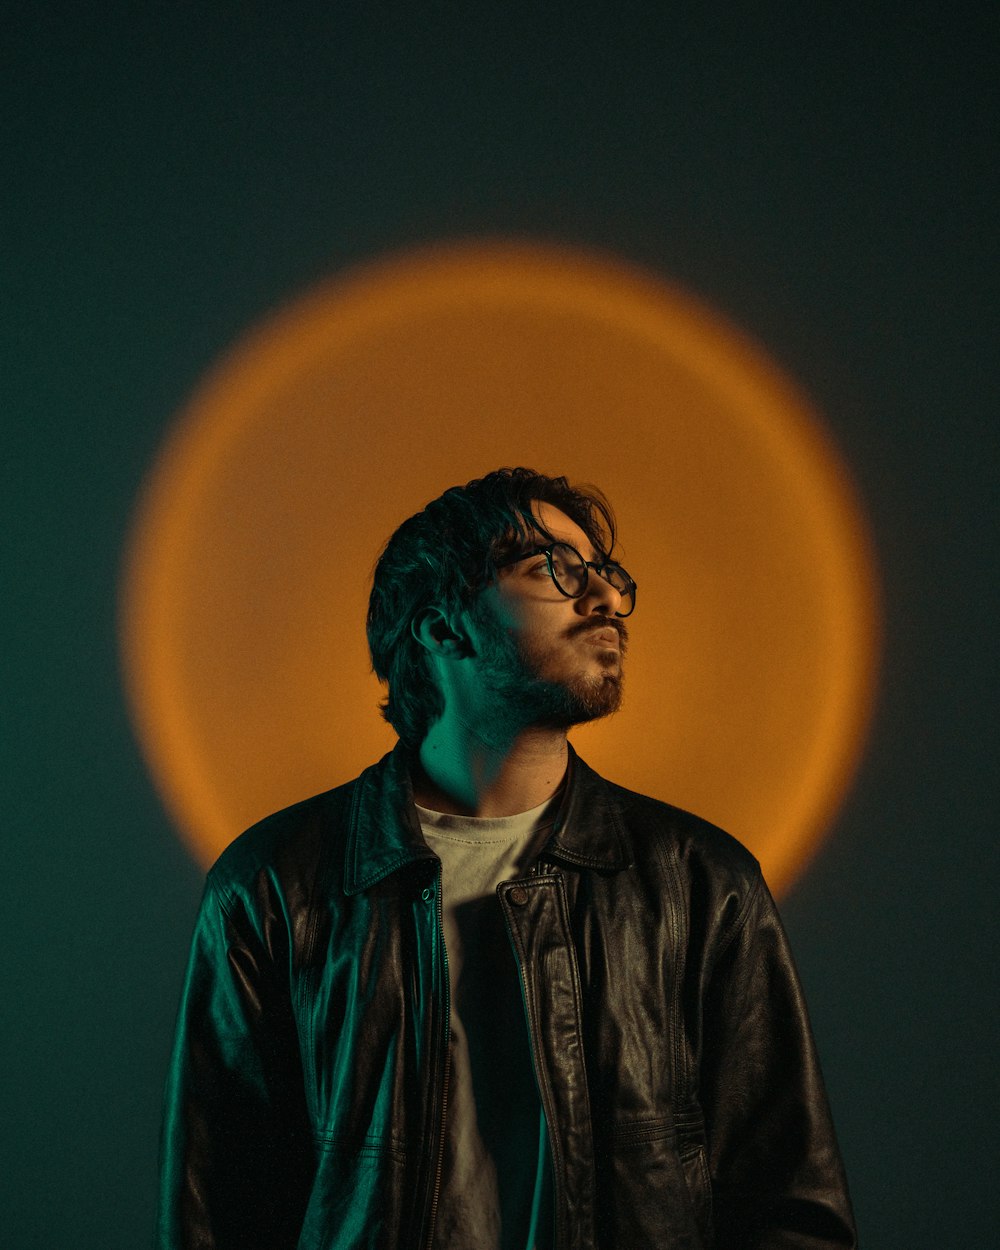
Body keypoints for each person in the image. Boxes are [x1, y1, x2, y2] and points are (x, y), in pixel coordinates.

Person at [157, 467, 857, 1249]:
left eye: (606, 575)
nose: (606, 601)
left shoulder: (701, 882)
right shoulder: (275, 885)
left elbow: (791, 1207)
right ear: (441, 628)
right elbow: (218, 1211)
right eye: (553, 569)